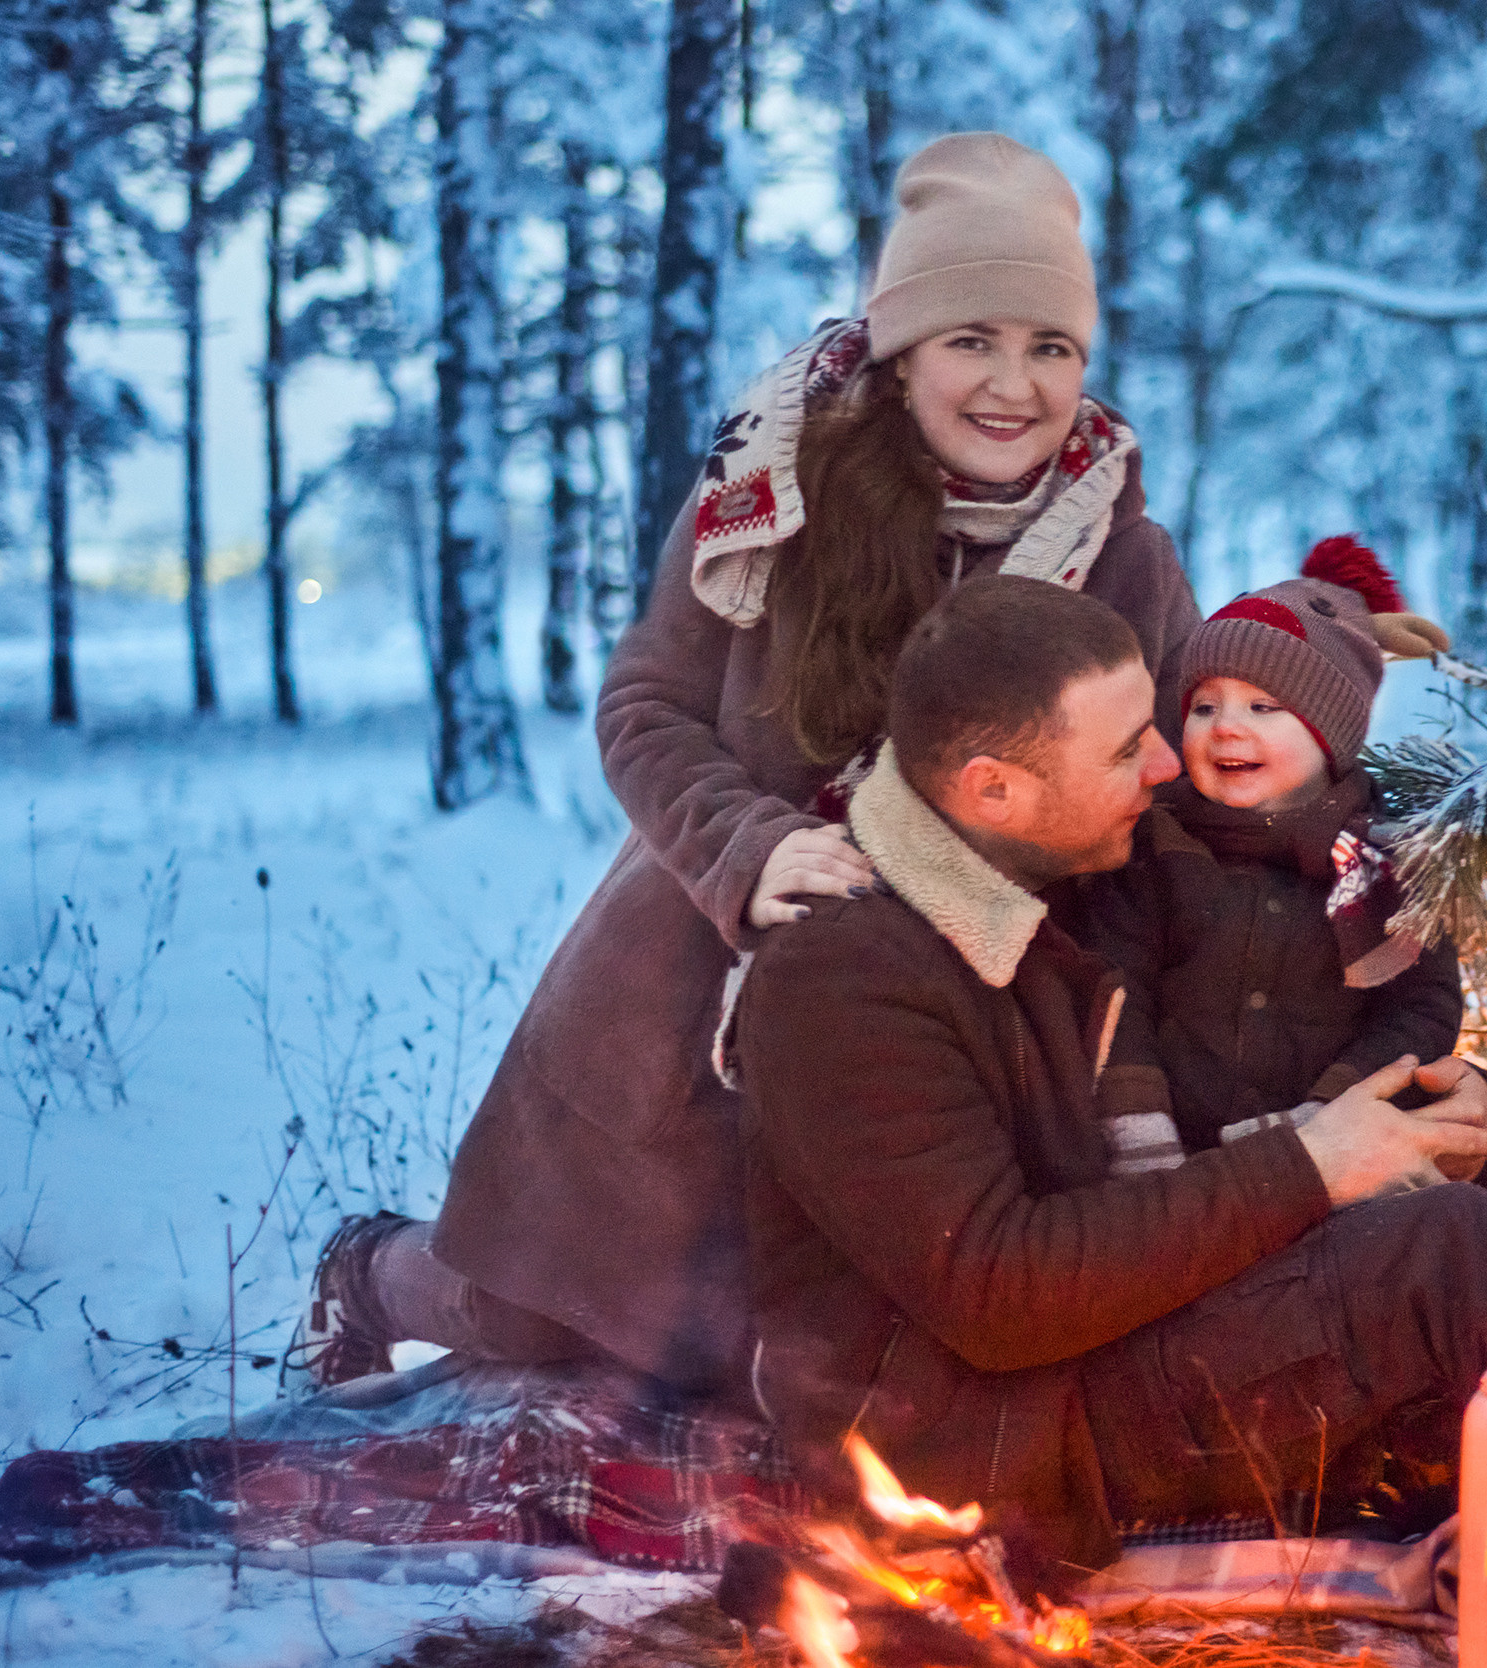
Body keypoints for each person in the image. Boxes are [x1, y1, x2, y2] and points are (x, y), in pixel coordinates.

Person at [295, 133, 1201, 1394]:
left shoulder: (1121, 553)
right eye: (971, 339)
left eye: (1050, 346)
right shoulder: (775, 488)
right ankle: (372, 1269)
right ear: (904, 349)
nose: (1015, 385)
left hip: (945, 1012)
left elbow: (1165, 781)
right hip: (698, 970)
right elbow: (645, 704)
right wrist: (752, 843)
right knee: (571, 1315)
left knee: (805, 1358)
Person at [732, 575, 1487, 1586]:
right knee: (1443, 1251)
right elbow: (997, 1295)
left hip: (1094, 1336)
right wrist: (1312, 1166)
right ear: (995, 790)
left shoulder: (1036, 878)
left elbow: (1225, 1066)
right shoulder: (844, 984)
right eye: (1127, 751)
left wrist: (1427, 1103)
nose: (1167, 765)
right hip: (995, 1440)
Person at [1056, 536, 1467, 1174]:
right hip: (1171, 1160)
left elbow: (1420, 1008)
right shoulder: (1159, 846)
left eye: (1263, 707)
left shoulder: (1385, 863)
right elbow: (1115, 982)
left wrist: (1336, 1110)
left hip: (1337, 1152)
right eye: (1204, 706)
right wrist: (1139, 1129)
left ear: (1331, 734)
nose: (1224, 726)